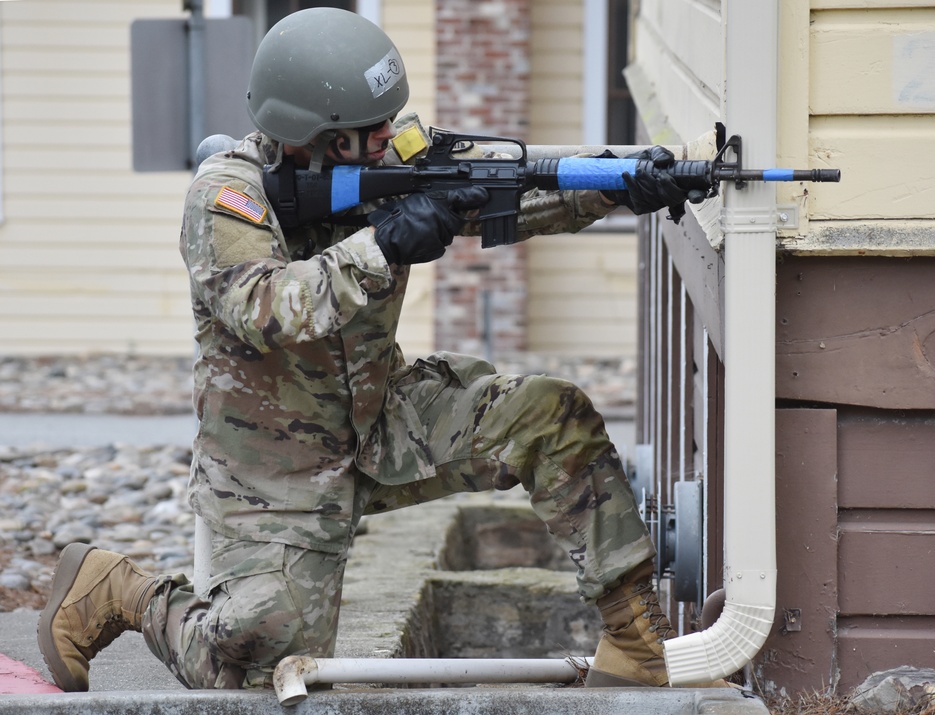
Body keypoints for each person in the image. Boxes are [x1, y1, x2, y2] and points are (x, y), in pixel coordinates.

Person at [37, 7, 708, 693]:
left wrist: (619, 182)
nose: (391, 134)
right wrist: (382, 245)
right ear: (312, 135)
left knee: (549, 413)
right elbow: (264, 308)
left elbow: (514, 185)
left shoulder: (392, 161)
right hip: (273, 473)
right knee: (243, 667)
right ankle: (117, 587)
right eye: (371, 127)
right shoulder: (225, 197)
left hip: (382, 420)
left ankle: (633, 638)